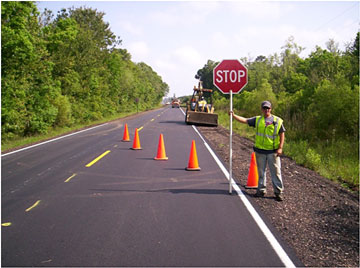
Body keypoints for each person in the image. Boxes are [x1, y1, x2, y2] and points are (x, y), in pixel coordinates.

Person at [229, 101, 285, 201]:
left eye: (268, 108)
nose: (266, 110)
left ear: (271, 109)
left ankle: (278, 192)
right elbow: (245, 120)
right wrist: (233, 115)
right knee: (261, 173)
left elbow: (282, 134)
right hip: (260, 151)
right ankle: (261, 191)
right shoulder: (258, 120)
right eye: (264, 108)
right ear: (261, 109)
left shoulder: (277, 120)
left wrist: (280, 147)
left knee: (276, 173)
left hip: (273, 152)